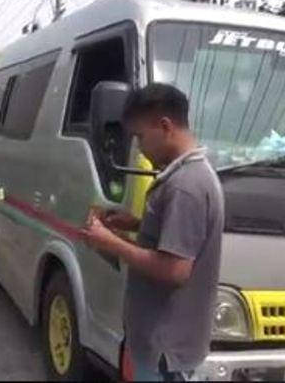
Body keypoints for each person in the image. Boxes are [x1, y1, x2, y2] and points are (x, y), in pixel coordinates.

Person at [80, 84, 224, 382]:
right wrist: (135, 224)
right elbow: (176, 236)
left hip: (166, 355)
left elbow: (174, 270)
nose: (140, 148)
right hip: (165, 348)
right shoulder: (189, 175)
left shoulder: (186, 186)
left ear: (165, 127)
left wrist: (111, 243)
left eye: (141, 137)